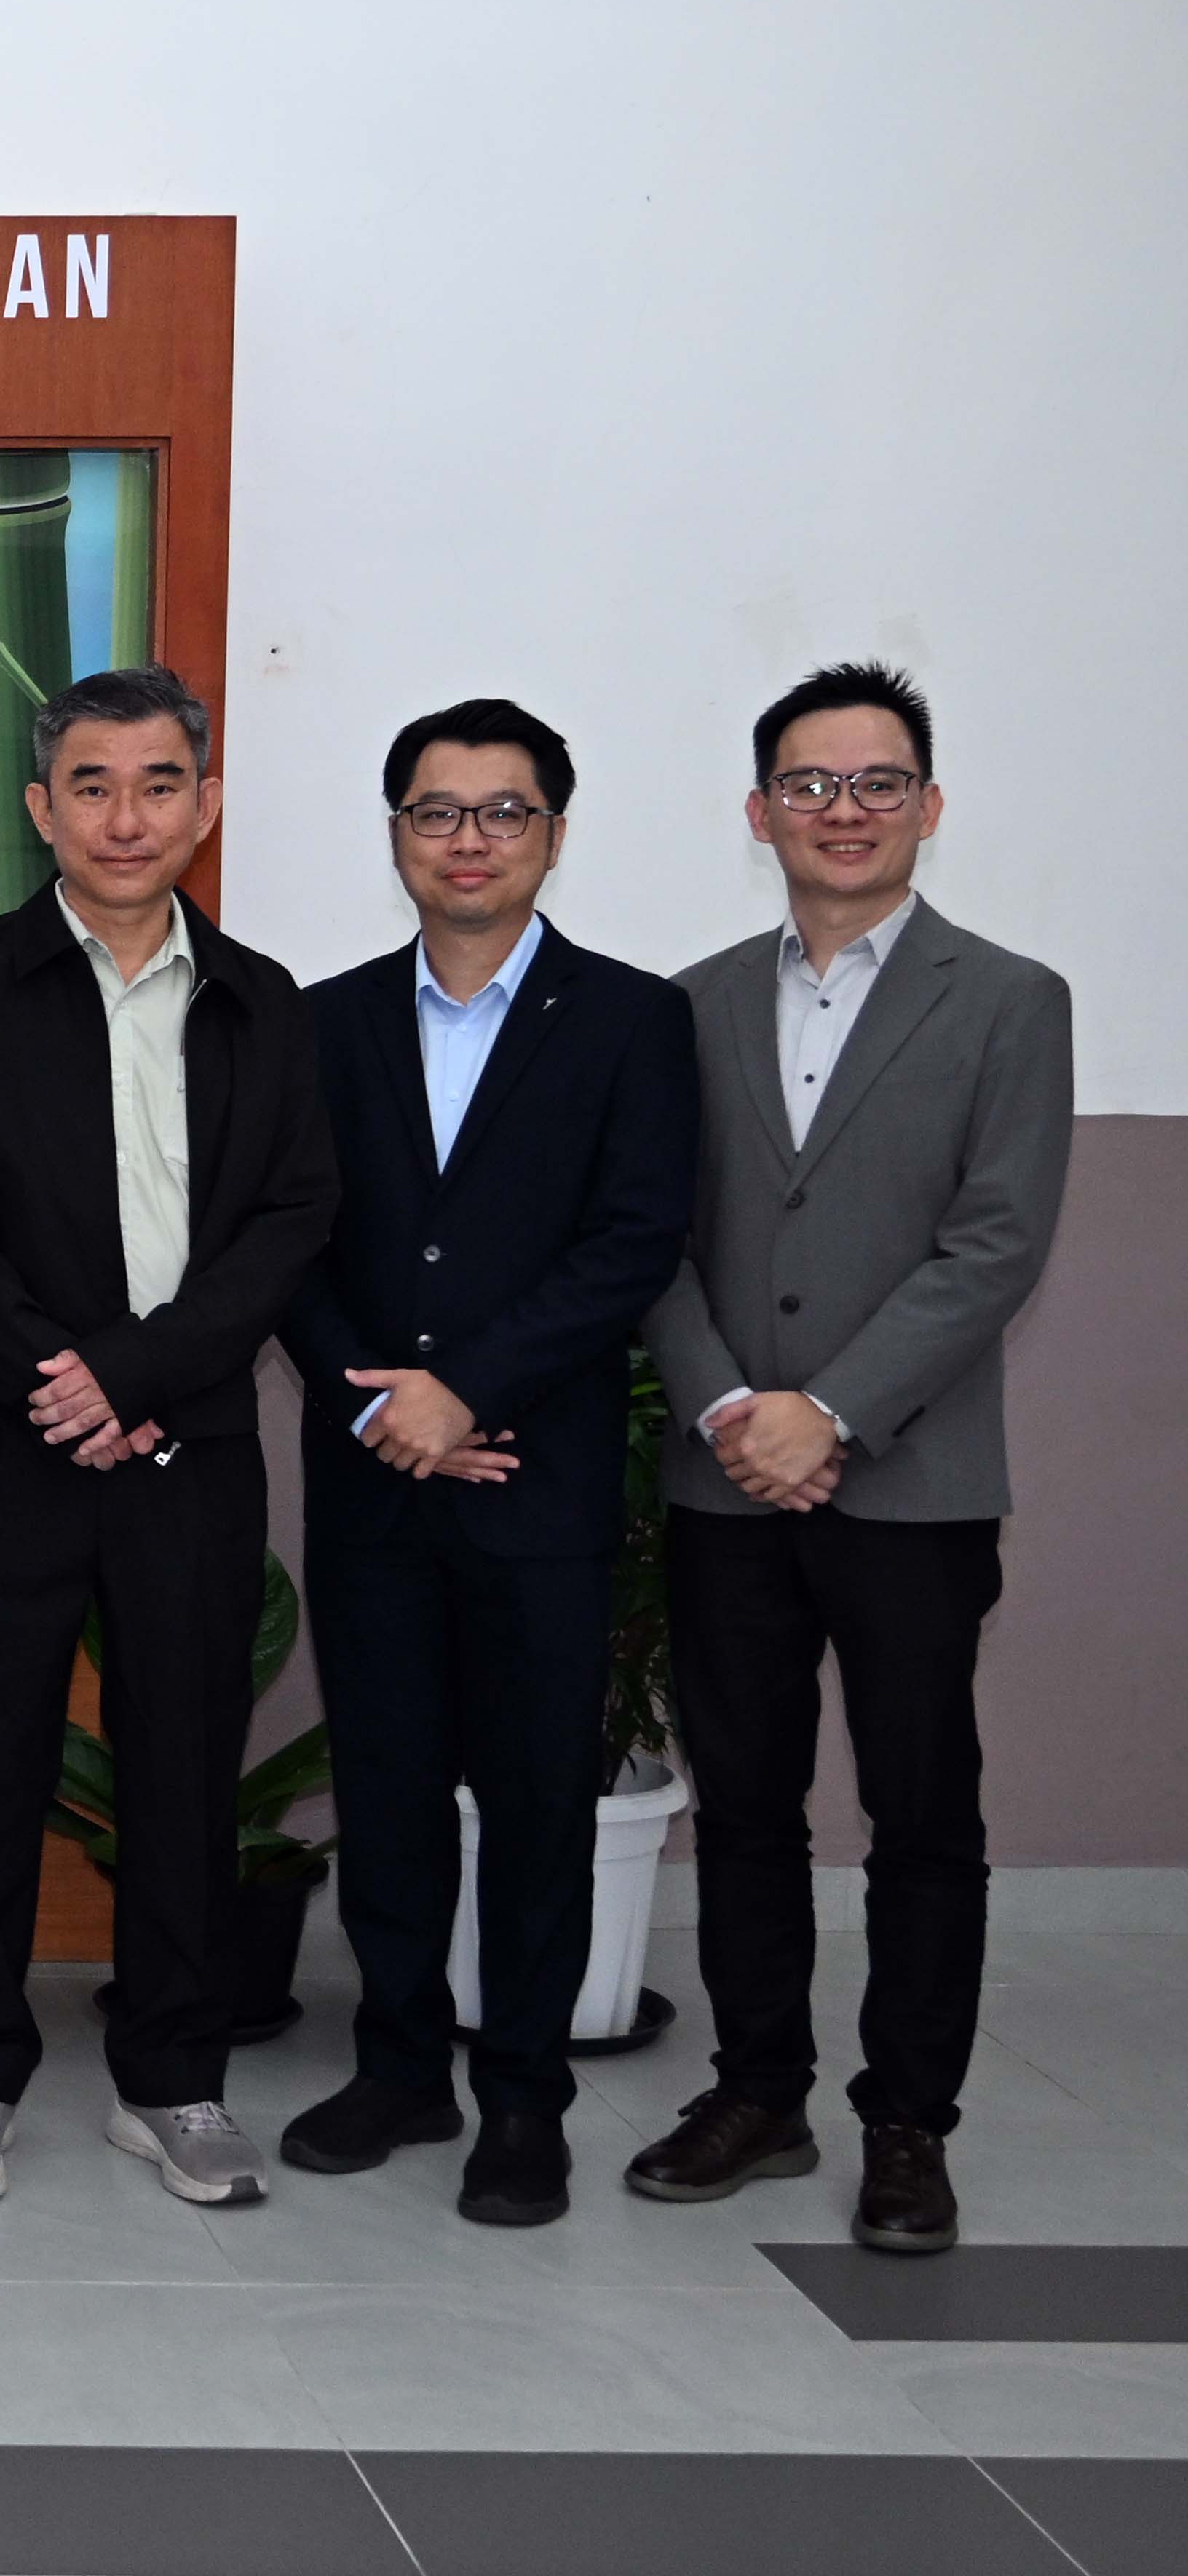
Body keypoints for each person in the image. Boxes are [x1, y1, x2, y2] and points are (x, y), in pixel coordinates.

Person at [630, 661, 1072, 2255]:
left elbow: (998, 1239)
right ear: (760, 813)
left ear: (930, 806)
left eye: (878, 781)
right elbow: (653, 1241)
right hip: (725, 1474)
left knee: (921, 1812)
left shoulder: (1011, 1000)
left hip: (913, 1484)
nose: (844, 809)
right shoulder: (685, 1002)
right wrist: (738, 1409)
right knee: (744, 1802)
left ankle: (908, 2121)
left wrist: (838, 1408)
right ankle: (758, 2088)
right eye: (810, 784)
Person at [0, 663, 335, 2211]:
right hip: (7, 1438)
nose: (126, 813)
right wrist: (56, 1374)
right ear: (40, 809)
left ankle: (173, 2073)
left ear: (204, 806)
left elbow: (290, 1220)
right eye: (91, 784)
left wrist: (136, 1374)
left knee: (181, 1755)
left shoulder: (265, 999)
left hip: (189, 1442)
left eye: (159, 783)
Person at [270, 701, 694, 2226]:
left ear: (554, 833)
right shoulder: (321, 1022)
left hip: (539, 1475)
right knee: (383, 1785)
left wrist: (469, 1391)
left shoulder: (635, 1020)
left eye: (502, 812)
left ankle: (525, 2094)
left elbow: (633, 1239)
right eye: (436, 811)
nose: (468, 839)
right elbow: (287, 1238)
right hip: (376, 1472)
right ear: (394, 833)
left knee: (533, 1799)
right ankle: (398, 2065)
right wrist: (377, 1397)